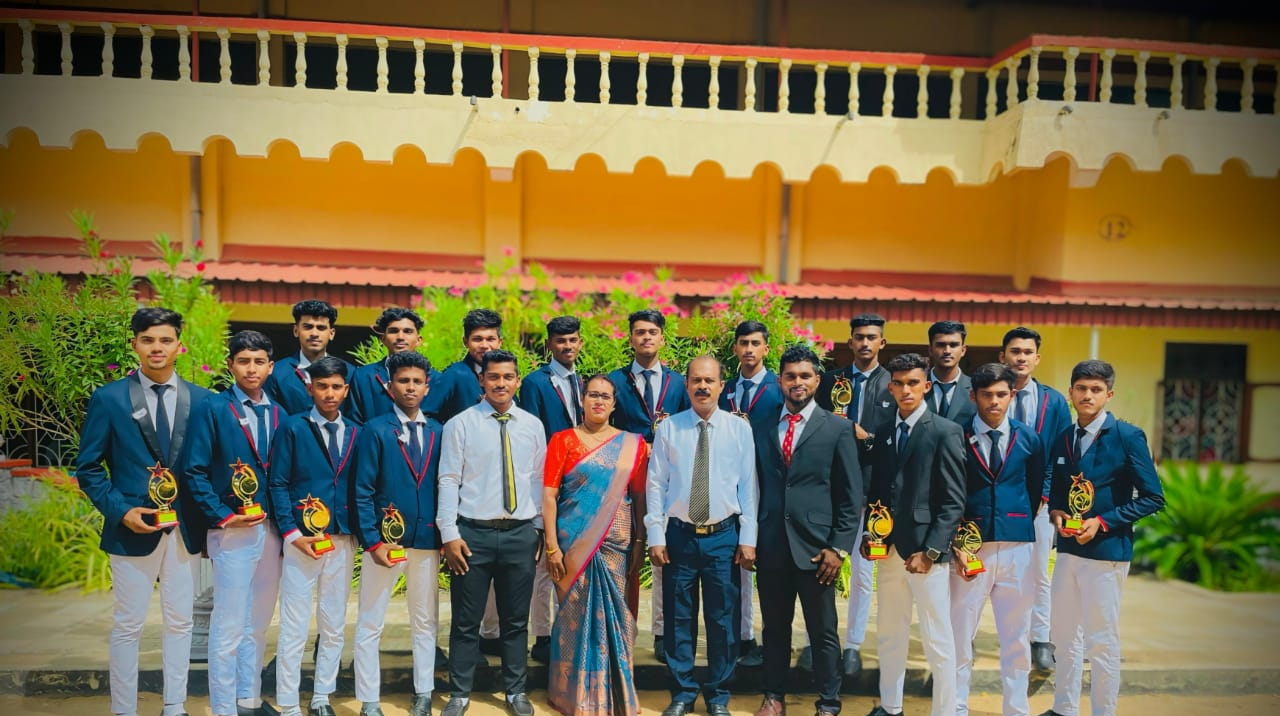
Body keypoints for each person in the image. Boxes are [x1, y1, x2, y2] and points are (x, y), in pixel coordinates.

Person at [77, 307, 212, 716]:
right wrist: (121, 512)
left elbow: (209, 466)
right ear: (134, 344)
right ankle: (123, 709)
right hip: (131, 528)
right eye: (148, 340)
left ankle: (175, 706)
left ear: (179, 346)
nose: (157, 347)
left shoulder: (203, 401)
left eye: (165, 340)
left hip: (184, 530)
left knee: (181, 622)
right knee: (128, 624)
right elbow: (88, 468)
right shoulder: (110, 398)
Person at [1040, 360, 1165, 716]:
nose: (1088, 395)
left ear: (1109, 394)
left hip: (1107, 553)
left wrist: (1103, 522)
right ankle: (1064, 708)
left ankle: (1103, 711)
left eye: (1096, 389)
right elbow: (1059, 490)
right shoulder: (1064, 437)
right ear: (1070, 393)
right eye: (1081, 388)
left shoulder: (1127, 436)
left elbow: (1153, 497)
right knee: (1063, 635)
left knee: (1101, 640)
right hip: (1068, 550)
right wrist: (1057, 513)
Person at [751, 346, 861, 716]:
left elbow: (850, 497)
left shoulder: (838, 428)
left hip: (818, 551)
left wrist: (838, 548)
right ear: (780, 380)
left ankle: (828, 702)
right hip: (772, 545)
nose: (797, 382)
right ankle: (773, 696)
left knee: (823, 631)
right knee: (774, 629)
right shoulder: (762, 424)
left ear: (817, 380)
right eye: (790, 376)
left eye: (804, 376)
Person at [646, 355, 758, 716]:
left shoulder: (739, 429)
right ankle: (682, 691)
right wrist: (656, 534)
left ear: (722, 386)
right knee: (678, 616)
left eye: (709, 381)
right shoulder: (669, 428)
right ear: (687, 385)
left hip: (723, 537)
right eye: (696, 380)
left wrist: (748, 537)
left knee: (723, 619)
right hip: (679, 535)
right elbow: (655, 484)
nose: (703, 387)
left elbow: (748, 486)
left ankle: (718, 694)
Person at [437, 350, 547, 716]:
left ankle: (515, 691)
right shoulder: (461, 424)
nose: (501, 383)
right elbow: (448, 479)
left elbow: (537, 479)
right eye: (493, 376)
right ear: (481, 380)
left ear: (518, 381)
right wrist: (449, 533)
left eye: (508, 376)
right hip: (473, 535)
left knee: (515, 622)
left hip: (519, 534)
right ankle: (459, 694)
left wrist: (538, 528)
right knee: (466, 621)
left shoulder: (532, 425)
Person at [181, 330, 284, 716]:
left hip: (272, 530)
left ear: (270, 367)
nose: (251, 369)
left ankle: (249, 699)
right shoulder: (213, 408)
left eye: (258, 362)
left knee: (258, 622)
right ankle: (223, 707)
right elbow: (193, 470)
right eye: (243, 361)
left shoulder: (279, 413)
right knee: (228, 624)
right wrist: (223, 516)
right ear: (230, 365)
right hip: (233, 531)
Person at [863, 353, 966, 716]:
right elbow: (878, 490)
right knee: (890, 632)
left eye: (913, 383)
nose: (906, 390)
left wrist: (933, 551)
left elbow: (953, 501)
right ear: (890, 387)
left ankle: (945, 712)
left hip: (926, 554)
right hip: (889, 550)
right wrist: (871, 534)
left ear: (926, 386)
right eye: (899, 383)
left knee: (937, 638)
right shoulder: (882, 429)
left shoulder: (944, 431)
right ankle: (890, 706)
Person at [542, 374, 651, 716]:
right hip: (572, 545)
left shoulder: (632, 445)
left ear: (614, 404)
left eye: (605, 396)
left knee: (615, 616)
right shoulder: (562, 440)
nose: (598, 401)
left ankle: (615, 694)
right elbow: (549, 495)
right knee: (573, 616)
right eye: (593, 395)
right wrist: (551, 547)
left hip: (617, 543)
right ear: (583, 400)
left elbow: (639, 496)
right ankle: (573, 695)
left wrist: (640, 541)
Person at [351, 351, 444, 716]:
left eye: (417, 381)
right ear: (390, 387)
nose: (410, 387)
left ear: (427, 387)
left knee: (425, 619)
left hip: (426, 540)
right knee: (371, 619)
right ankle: (369, 699)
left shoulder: (438, 431)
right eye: (403, 381)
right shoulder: (375, 430)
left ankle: (424, 692)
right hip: (384, 542)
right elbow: (362, 490)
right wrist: (372, 540)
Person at [951, 363, 1046, 716]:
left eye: (1001, 394)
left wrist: (1016, 519)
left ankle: (1017, 709)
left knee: (1016, 635)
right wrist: (956, 542)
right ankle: (955, 707)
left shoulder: (1030, 438)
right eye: (987, 394)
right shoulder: (955, 435)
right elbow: (948, 490)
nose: (994, 401)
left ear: (1012, 395)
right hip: (970, 548)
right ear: (973, 396)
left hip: (1017, 545)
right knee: (960, 633)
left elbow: (1033, 489)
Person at [267, 356, 359, 716]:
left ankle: (322, 696)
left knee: (333, 623)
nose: (329, 393)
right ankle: (289, 702)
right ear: (310, 388)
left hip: (342, 538)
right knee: (294, 623)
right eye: (322, 386)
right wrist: (291, 533)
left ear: (346, 390)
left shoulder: (357, 432)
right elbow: (278, 483)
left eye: (336, 386)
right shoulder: (292, 428)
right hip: (302, 541)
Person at [814, 312, 896, 676]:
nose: (865, 343)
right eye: (859, 337)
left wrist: (868, 438)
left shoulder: (893, 383)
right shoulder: (830, 381)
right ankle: (818, 641)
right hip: (830, 488)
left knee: (863, 573)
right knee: (820, 568)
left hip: (871, 492)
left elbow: (895, 440)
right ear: (850, 341)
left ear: (882, 342)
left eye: (871, 337)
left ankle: (853, 645)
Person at [608, 308, 691, 663]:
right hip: (624, 479)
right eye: (639, 332)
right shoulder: (615, 381)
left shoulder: (679, 383)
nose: (646, 337)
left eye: (652, 332)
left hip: (669, 480)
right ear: (630, 338)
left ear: (662, 338)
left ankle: (661, 631)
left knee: (662, 556)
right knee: (620, 554)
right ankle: (617, 629)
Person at [999, 326, 1071, 672]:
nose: (1021, 358)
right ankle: (972, 636)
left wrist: (1046, 495)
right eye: (1015, 351)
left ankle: (1040, 638)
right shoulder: (989, 394)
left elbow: (1061, 452)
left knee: (1038, 571)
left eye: (1027, 352)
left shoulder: (1053, 401)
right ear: (1003, 356)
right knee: (986, 573)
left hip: (1039, 501)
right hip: (997, 499)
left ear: (1037, 358)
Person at [516, 315, 585, 663]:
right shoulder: (535, 383)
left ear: (580, 343)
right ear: (549, 345)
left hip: (580, 482)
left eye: (572, 340)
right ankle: (542, 636)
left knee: (573, 559)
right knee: (545, 562)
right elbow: (529, 433)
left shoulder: (584, 381)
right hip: (547, 477)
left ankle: (571, 630)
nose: (567, 346)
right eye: (560, 340)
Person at [718, 320, 782, 667]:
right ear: (735, 348)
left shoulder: (779, 387)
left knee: (765, 565)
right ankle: (741, 636)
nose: (748, 349)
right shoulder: (724, 388)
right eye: (743, 343)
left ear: (766, 348)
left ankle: (765, 638)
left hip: (769, 482)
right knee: (736, 562)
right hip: (729, 483)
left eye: (755, 343)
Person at [265, 299, 353, 416]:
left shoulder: (349, 373)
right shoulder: (277, 373)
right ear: (296, 330)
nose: (314, 334)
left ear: (331, 333)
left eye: (321, 328)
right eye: (308, 327)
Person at [422, 308, 503, 425]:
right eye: (477, 339)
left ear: (499, 342)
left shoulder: (505, 376)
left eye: (490, 339)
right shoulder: (454, 375)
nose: (484, 345)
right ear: (465, 342)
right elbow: (427, 416)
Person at [348, 307, 427, 425]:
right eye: (394, 331)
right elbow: (353, 423)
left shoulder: (434, 378)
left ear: (418, 340)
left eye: (408, 331)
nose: (400, 337)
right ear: (383, 339)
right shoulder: (363, 376)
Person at [924, 320, 976, 426]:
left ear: (963, 350)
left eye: (953, 345)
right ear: (930, 350)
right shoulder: (916, 387)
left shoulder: (976, 389)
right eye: (941, 345)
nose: (947, 351)